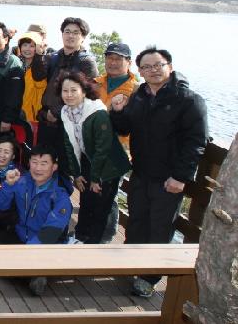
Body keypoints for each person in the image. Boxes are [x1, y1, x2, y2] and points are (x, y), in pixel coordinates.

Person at [110, 47, 208, 298]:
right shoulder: (140, 95)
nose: (153, 70)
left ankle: (149, 277)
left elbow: (196, 142)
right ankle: (131, 265)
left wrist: (181, 177)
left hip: (168, 178)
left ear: (169, 67)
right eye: (147, 67)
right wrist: (117, 111)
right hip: (141, 172)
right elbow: (124, 128)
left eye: (158, 65)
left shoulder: (188, 100)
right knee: (137, 221)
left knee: (160, 228)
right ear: (140, 71)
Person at [59, 72, 130, 244]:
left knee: (101, 208)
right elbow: (69, 145)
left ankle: (93, 245)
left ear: (84, 91)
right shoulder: (66, 112)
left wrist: (95, 178)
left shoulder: (97, 112)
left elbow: (103, 148)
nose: (69, 95)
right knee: (86, 201)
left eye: (73, 90)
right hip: (89, 160)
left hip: (109, 165)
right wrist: (77, 174)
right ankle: (80, 237)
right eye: (65, 91)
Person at [0, 144, 73, 295]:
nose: (38, 168)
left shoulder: (60, 197)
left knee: (3, 261)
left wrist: (25, 252)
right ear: (29, 163)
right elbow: (2, 206)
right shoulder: (22, 181)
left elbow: (49, 234)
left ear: (54, 167)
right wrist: (8, 184)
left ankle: (33, 272)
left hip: (44, 245)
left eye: (44, 163)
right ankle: (32, 274)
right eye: (34, 162)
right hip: (21, 235)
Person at [35, 17, 98, 167]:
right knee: (42, 162)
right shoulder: (54, 57)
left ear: (83, 37)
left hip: (70, 123)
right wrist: (39, 55)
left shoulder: (86, 61)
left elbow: (87, 94)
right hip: (46, 118)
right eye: (67, 32)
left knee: (66, 166)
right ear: (62, 34)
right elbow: (38, 76)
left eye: (76, 33)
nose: (71, 36)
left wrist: (57, 113)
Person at [94, 42, 139, 243]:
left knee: (109, 195)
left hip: (118, 150)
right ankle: (91, 230)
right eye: (109, 58)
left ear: (128, 62)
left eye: (118, 59)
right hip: (94, 147)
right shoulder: (96, 83)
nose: (112, 62)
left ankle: (106, 235)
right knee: (94, 191)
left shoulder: (136, 90)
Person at [18, 31, 47, 133]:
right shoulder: (16, 65)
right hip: (16, 114)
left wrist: (39, 56)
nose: (27, 49)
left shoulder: (42, 64)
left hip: (33, 116)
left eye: (32, 46)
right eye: (25, 45)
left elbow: (40, 83)